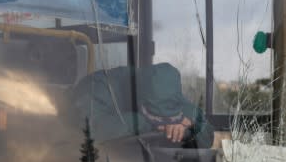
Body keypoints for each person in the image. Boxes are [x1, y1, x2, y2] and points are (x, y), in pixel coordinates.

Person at [70, 63, 214, 148]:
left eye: (170, 118)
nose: (164, 126)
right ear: (139, 101)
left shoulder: (165, 88)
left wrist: (188, 124)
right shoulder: (96, 88)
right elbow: (87, 131)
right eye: (158, 119)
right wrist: (147, 124)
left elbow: (206, 134)